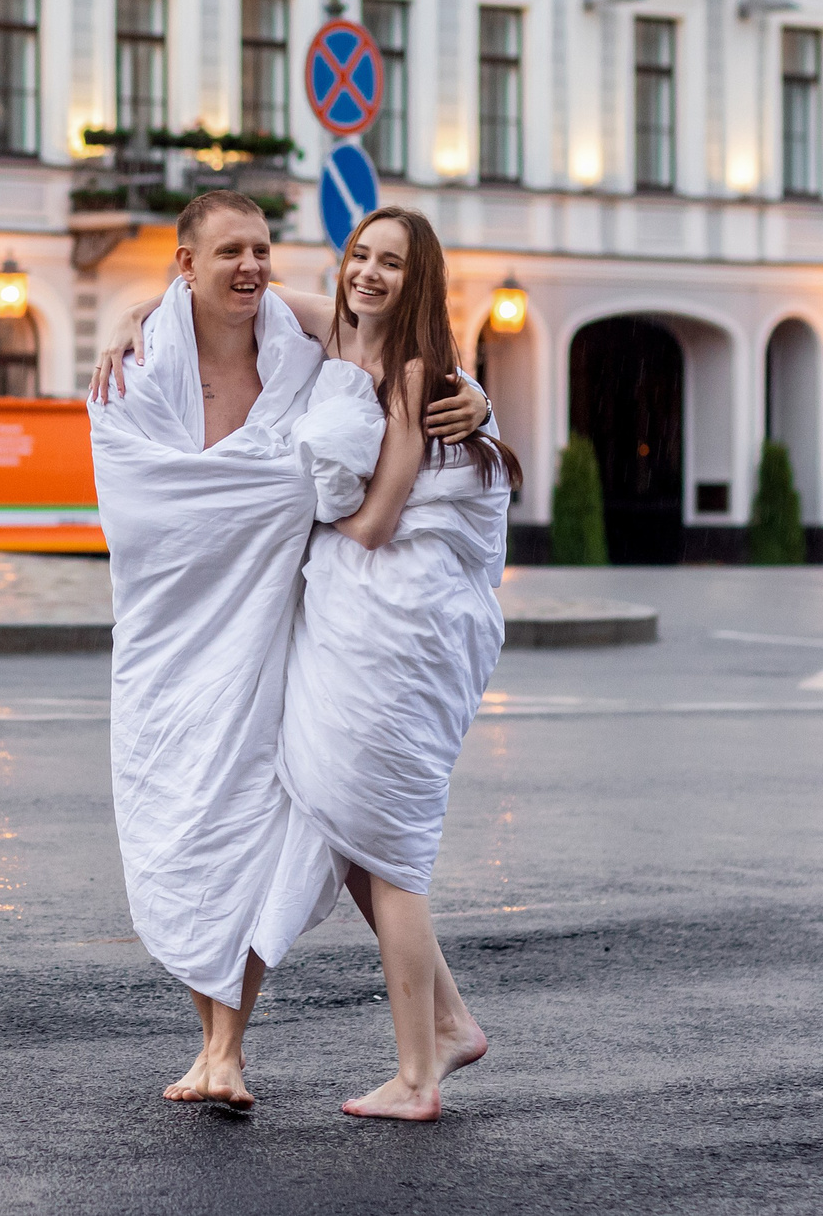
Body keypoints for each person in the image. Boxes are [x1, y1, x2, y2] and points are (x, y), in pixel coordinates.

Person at [88, 193, 488, 1111]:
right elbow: (143, 499)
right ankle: (435, 1022)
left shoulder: (309, 344)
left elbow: (387, 466)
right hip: (177, 634)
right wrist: (125, 311)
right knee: (216, 818)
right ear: (184, 263)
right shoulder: (150, 369)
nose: (252, 267)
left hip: (303, 623)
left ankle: (242, 1051)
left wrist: (467, 397)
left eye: (263, 250)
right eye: (229, 251)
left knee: (308, 820)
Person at [251, 205, 517, 1122]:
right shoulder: (337, 335)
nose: (367, 272)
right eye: (359, 255)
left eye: (390, 263)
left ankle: (417, 1076)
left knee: (389, 852)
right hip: (350, 618)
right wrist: (140, 318)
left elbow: (377, 520)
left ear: (420, 280)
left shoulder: (411, 375)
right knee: (350, 825)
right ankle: (449, 1022)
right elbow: (245, 293)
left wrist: (296, 521)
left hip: (391, 627)